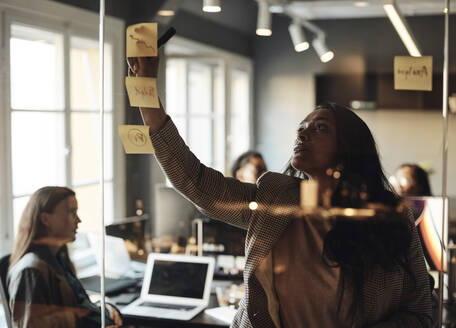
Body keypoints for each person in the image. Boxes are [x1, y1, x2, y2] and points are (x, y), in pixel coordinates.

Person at [127, 56, 432, 327]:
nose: (302, 132)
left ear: (347, 149)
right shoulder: (274, 197)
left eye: (320, 128)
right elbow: (196, 183)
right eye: (302, 126)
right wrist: (146, 94)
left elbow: (420, 311)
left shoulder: (388, 217)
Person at [7, 186, 123, 328]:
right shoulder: (31, 270)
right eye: (72, 212)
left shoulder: (58, 257)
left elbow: (75, 304)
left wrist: (103, 307)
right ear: (46, 219)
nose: (78, 220)